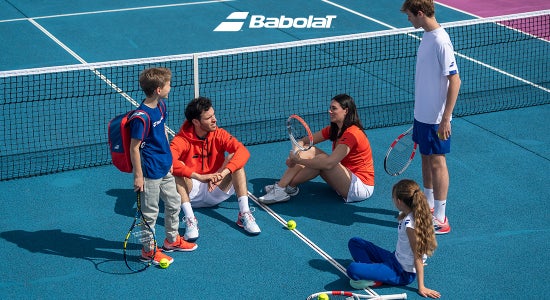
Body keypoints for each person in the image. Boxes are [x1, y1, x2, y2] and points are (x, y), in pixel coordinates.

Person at [401, 0, 461, 234]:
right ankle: (427, 206)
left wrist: (446, 118)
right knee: (426, 158)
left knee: (437, 162)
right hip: (422, 115)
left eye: (409, 16)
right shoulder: (426, 36)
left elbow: (454, 80)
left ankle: (441, 218)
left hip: (437, 118)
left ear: (419, 13)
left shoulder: (440, 40)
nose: (408, 20)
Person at [129, 67, 197, 265]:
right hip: (150, 172)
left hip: (165, 166)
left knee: (174, 202)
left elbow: (163, 135)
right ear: (158, 89)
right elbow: (135, 148)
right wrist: (138, 176)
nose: (170, 87)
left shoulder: (161, 106)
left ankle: (172, 239)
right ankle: (148, 251)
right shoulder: (141, 118)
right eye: (168, 84)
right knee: (150, 213)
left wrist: (169, 159)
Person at [170, 96, 261, 240]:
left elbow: (243, 151)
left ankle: (244, 214)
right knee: (177, 168)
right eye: (209, 118)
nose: (215, 120)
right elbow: (168, 161)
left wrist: (222, 173)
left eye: (213, 115)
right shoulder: (181, 140)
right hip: (191, 193)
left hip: (216, 189)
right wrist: (199, 177)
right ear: (195, 122)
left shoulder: (219, 134)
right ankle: (190, 219)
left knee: (235, 161)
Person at [258, 94, 374, 204]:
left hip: (360, 187)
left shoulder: (352, 134)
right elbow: (303, 141)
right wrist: (294, 155)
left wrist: (298, 161)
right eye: (330, 108)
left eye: (334, 108)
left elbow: (329, 164)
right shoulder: (334, 129)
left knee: (322, 160)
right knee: (309, 151)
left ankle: (281, 187)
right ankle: (285, 187)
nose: (330, 111)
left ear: (346, 111)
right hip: (344, 176)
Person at [346, 179, 440, 298]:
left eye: (393, 198)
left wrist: (421, 286)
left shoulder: (411, 225)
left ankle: (374, 277)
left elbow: (418, 255)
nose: (393, 200)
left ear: (399, 202)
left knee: (352, 269)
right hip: (394, 258)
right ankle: (373, 272)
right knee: (355, 242)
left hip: (401, 272)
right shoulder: (410, 213)